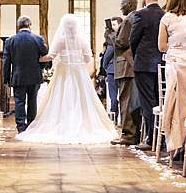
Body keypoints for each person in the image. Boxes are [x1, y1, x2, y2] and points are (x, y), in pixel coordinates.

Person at [16, 14, 115, 144]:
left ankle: (62, 123)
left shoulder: (60, 40)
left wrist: (36, 59)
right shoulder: (82, 40)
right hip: (79, 73)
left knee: (60, 98)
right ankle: (83, 124)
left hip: (63, 73)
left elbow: (51, 56)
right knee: (82, 99)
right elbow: (87, 59)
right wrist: (77, 61)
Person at [158, 0, 186, 159]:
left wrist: (176, 47)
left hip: (175, 63)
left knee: (174, 104)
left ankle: (176, 144)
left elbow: (161, 46)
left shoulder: (167, 18)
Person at [129, 0, 166, 151]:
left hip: (144, 63)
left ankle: (151, 137)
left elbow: (133, 39)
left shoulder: (141, 14)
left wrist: (138, 56)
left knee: (147, 102)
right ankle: (161, 138)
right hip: (161, 63)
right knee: (160, 101)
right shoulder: (165, 15)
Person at [2, 16, 49, 132]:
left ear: (18, 26)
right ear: (30, 25)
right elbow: (46, 57)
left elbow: (6, 62)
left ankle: (21, 127)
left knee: (19, 101)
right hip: (34, 76)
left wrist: (6, 79)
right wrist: (41, 68)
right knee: (32, 101)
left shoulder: (10, 41)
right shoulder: (38, 39)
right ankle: (31, 125)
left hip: (18, 76)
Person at [112, 0, 141, 146]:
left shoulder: (129, 19)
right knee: (130, 101)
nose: (121, 7)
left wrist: (112, 34)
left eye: (122, 4)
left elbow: (121, 42)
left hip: (127, 65)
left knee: (126, 101)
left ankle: (128, 135)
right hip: (131, 65)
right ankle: (132, 134)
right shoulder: (134, 17)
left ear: (129, 4)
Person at [100, 23, 118, 119]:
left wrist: (105, 67)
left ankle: (114, 113)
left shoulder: (111, 42)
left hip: (112, 70)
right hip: (120, 69)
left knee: (113, 94)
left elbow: (106, 58)